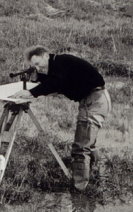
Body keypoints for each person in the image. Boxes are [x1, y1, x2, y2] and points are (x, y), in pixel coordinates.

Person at [10, 45, 111, 191]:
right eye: (34, 66)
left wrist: (32, 93)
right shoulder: (59, 63)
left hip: (94, 101)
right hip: (94, 99)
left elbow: (56, 83)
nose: (37, 68)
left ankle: (79, 190)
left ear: (46, 55)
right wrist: (37, 78)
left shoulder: (61, 63)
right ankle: (96, 178)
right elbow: (54, 81)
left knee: (80, 148)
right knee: (88, 144)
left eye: (38, 64)